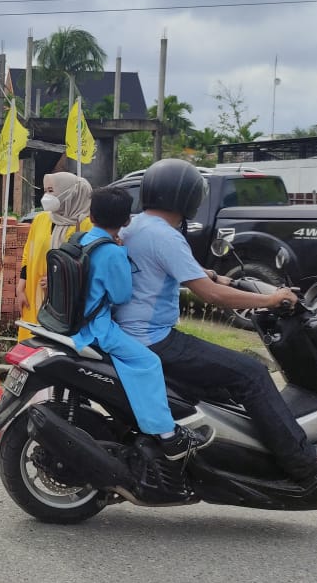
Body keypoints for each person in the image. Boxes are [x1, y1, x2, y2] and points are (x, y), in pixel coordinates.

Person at [117, 158, 317, 480]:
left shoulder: (135, 225)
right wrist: (271, 299)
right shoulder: (165, 235)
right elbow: (211, 296)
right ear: (187, 197)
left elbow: (161, 266)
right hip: (153, 339)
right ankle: (302, 461)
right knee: (252, 373)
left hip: (129, 334)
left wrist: (210, 274)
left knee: (226, 378)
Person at [72, 187, 213, 460]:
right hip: (99, 327)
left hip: (76, 322)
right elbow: (121, 295)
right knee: (147, 362)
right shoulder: (113, 253)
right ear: (127, 221)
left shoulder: (81, 239)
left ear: (90, 216)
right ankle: (167, 435)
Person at [16, 171, 93, 341]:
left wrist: (58, 281)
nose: (46, 196)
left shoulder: (85, 225)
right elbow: (28, 253)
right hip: (34, 291)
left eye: (51, 191)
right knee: (30, 344)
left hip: (63, 300)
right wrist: (20, 287)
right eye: (46, 190)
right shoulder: (40, 220)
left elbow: (86, 265)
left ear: (70, 193)